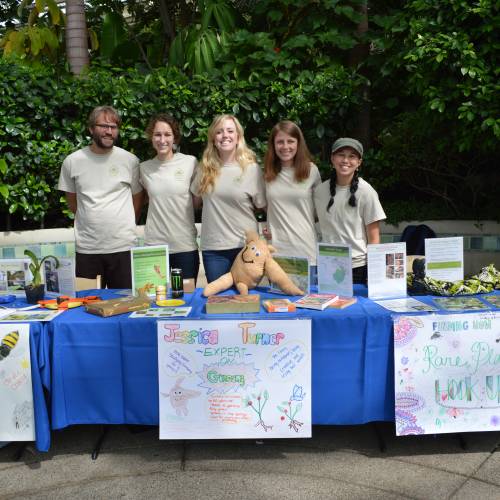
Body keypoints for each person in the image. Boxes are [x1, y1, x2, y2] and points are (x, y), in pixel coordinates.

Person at [58, 105, 142, 289]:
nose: (109, 131)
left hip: (123, 248)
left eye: (113, 127)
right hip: (88, 249)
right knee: (86, 304)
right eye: (103, 126)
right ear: (91, 128)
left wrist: (125, 224)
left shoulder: (130, 161)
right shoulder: (72, 162)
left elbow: (137, 199)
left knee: (125, 304)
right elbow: (72, 202)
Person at [190, 114, 266, 283]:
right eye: (219, 132)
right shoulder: (204, 169)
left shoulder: (252, 169)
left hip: (246, 248)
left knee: (246, 300)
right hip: (214, 249)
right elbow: (193, 203)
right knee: (219, 301)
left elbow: (261, 206)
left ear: (238, 136)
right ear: (213, 138)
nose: (225, 135)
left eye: (230, 131)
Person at [313, 137, 386, 284]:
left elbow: (374, 238)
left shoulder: (367, 192)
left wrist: (373, 272)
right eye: (341, 155)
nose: (345, 160)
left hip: (358, 267)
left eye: (352, 156)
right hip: (327, 265)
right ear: (332, 159)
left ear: (359, 163)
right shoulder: (320, 191)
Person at [138, 114, 199, 281]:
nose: (162, 139)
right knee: (154, 300)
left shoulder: (190, 163)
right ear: (151, 137)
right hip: (154, 247)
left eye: (167, 134)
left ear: (175, 138)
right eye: (157, 134)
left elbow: (198, 201)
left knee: (187, 298)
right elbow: (141, 200)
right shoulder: (144, 168)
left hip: (185, 246)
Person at [263, 120, 322, 277]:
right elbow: (263, 205)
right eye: (280, 142)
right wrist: (267, 226)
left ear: (298, 143)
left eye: (290, 141)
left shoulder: (312, 171)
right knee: (277, 302)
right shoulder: (266, 174)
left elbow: (320, 211)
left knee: (305, 302)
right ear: (273, 145)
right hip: (276, 252)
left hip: (306, 251)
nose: (285, 146)